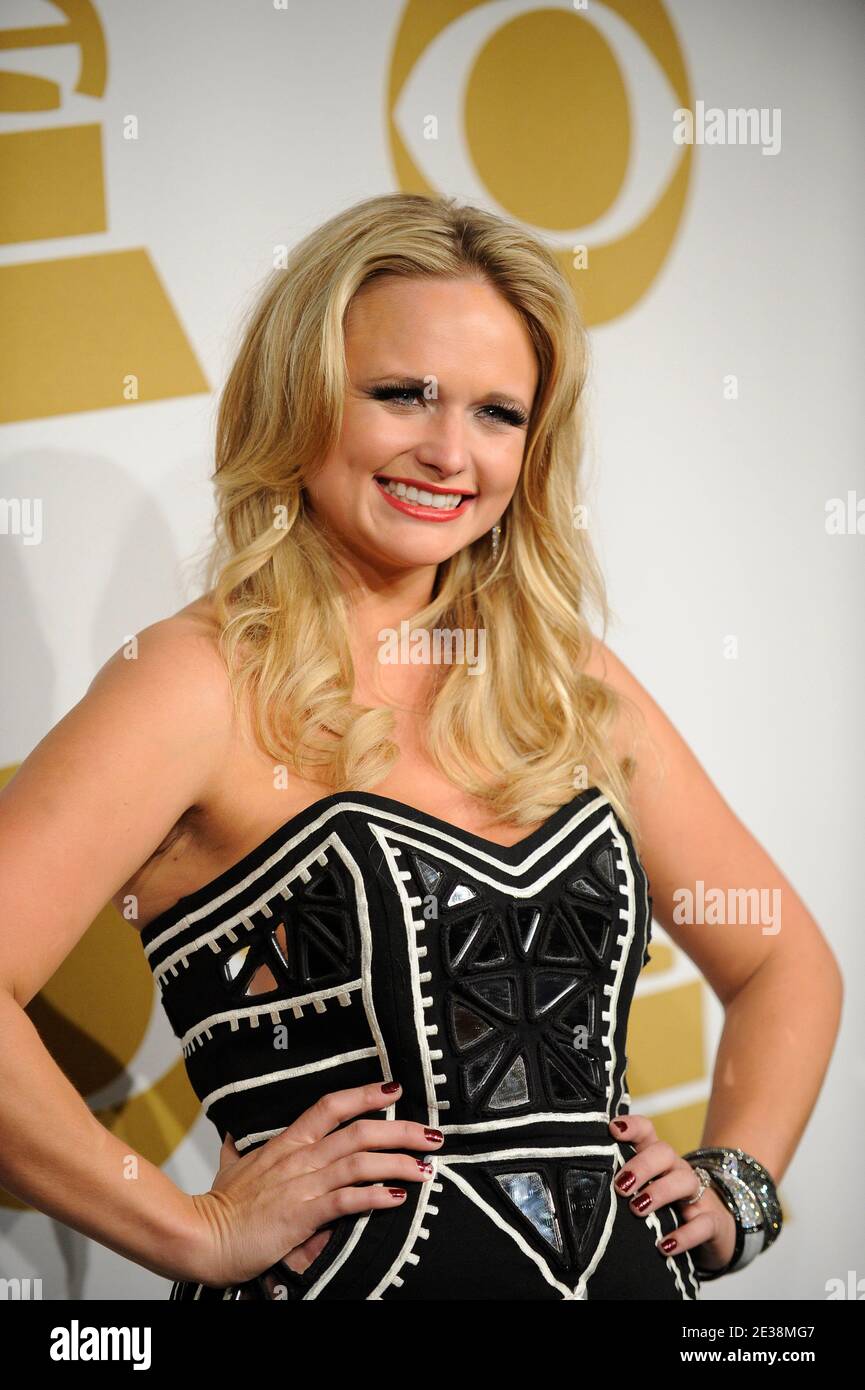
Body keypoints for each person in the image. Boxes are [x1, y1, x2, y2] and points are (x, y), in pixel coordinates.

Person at [0, 193, 841, 1301]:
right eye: (402, 395)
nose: (450, 452)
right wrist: (191, 1229)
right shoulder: (192, 679)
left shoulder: (562, 678)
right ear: (298, 398)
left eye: (499, 413)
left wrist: (741, 1185)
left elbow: (783, 960)